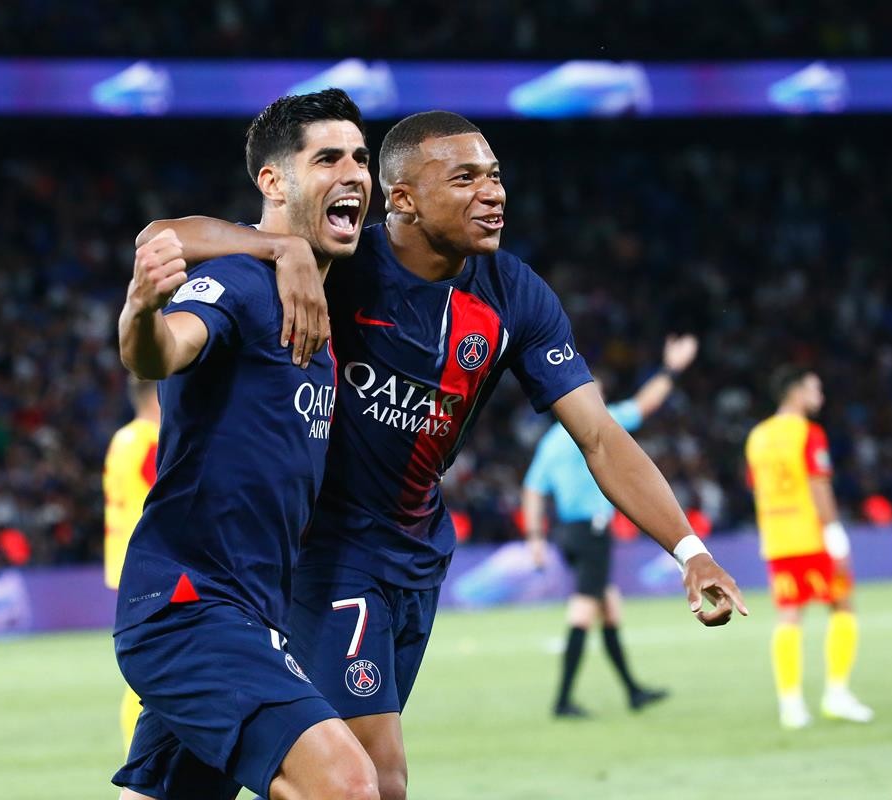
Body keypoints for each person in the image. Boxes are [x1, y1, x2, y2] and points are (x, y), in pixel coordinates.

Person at [139, 110, 747, 800]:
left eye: (495, 176)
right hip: (326, 553)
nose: (493, 193)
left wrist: (689, 550)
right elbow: (167, 236)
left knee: (189, 786)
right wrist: (282, 251)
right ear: (402, 199)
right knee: (372, 778)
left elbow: (600, 436)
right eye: (465, 179)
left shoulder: (514, 295)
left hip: (417, 557)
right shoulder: (339, 260)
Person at [112, 88, 380, 800]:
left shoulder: (315, 310)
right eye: (328, 158)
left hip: (250, 611)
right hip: (191, 607)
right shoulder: (239, 281)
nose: (354, 173)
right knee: (349, 785)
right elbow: (163, 349)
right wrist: (141, 311)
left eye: (361, 158)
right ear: (273, 181)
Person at [522, 334, 699, 718]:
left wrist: (535, 537)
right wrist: (672, 369)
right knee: (584, 609)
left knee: (610, 607)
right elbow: (646, 403)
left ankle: (633, 691)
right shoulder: (596, 425)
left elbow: (533, 488)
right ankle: (562, 701)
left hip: (568, 533)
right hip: (591, 532)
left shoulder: (552, 440)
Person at [745, 366, 874, 729]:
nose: (820, 396)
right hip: (811, 535)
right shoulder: (809, 433)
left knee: (789, 616)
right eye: (815, 389)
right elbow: (819, 486)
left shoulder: (757, 436)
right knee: (842, 605)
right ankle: (836, 694)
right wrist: (835, 535)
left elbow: (757, 489)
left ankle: (791, 705)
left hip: (777, 538)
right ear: (796, 392)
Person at [102, 376, 160, 755]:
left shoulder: (122, 439)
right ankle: (138, 752)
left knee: (145, 661)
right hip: (150, 564)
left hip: (124, 558)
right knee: (150, 666)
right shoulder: (152, 441)